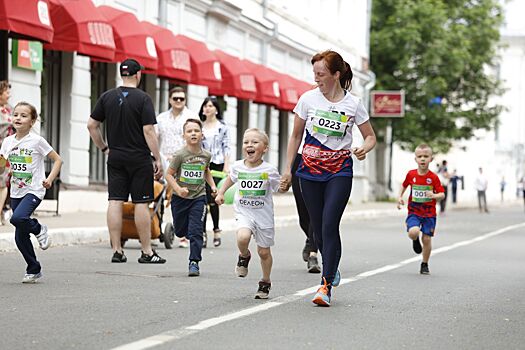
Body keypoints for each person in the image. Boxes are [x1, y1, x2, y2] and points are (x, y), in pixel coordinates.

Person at [280, 50, 376, 307]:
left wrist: (363, 148)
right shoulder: (308, 99)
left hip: (339, 171)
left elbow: (370, 136)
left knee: (330, 223)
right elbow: (295, 137)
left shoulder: (353, 104)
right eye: (314, 74)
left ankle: (325, 284)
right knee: (317, 226)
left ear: (336, 74)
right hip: (309, 171)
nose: (316, 79)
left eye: (321, 74)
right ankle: (331, 264)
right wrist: (288, 169)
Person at [88, 58, 166, 264]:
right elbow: (149, 130)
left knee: (115, 201)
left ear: (122, 74)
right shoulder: (143, 99)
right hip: (139, 157)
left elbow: (91, 125)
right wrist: (157, 157)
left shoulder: (107, 97)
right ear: (138, 74)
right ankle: (147, 252)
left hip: (115, 156)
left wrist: (104, 147)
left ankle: (117, 250)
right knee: (141, 202)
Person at [0, 101, 62, 283]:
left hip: (35, 189)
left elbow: (58, 160)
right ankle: (33, 268)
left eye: (24, 115)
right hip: (16, 190)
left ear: (32, 121)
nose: (18, 118)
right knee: (19, 235)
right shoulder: (8, 142)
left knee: (17, 218)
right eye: (16, 114)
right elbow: (2, 167)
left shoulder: (37, 141)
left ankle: (39, 228)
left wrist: (49, 179)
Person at [215, 128, 281, 299]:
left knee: (264, 252)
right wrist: (221, 193)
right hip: (244, 212)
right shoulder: (237, 166)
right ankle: (244, 255)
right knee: (243, 237)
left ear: (265, 148)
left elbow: (277, 188)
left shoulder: (270, 170)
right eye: (246, 142)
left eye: (254, 142)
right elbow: (230, 178)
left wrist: (283, 185)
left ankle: (265, 281)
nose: (249, 145)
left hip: (264, 215)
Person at [165, 119, 216, 276]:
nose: (193, 133)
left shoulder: (206, 155)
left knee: (196, 231)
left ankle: (194, 262)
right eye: (189, 131)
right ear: (184, 135)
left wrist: (213, 186)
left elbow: (206, 171)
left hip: (198, 197)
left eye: (196, 130)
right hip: (180, 199)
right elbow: (168, 175)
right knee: (181, 231)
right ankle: (178, 231)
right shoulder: (180, 155)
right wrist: (178, 189)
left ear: (202, 134)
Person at [156, 86, 198, 248]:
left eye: (182, 98)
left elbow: (197, 140)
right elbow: (154, 138)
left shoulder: (191, 117)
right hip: (165, 161)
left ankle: (185, 235)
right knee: (159, 194)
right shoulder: (161, 118)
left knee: (184, 197)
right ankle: (157, 228)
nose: (179, 101)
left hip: (185, 161)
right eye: (176, 98)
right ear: (170, 100)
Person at [397, 144, 445, 275]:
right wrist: (399, 197)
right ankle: (414, 240)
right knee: (413, 232)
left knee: (427, 239)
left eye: (426, 156)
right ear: (415, 159)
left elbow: (442, 194)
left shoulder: (433, 177)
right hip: (414, 211)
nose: (422, 159)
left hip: (429, 214)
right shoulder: (411, 174)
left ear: (431, 158)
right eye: (420, 156)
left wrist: (434, 196)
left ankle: (424, 263)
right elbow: (404, 185)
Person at [199, 96, 231, 247]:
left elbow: (227, 146)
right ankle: (203, 233)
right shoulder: (199, 127)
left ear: (216, 109)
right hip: (202, 165)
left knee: (214, 199)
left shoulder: (222, 126)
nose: (207, 108)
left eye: (211, 106)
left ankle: (216, 229)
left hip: (217, 165)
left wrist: (226, 165)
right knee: (203, 200)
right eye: (205, 106)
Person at [292, 152, 320, 273]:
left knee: (316, 211)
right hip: (301, 158)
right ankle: (310, 238)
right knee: (303, 217)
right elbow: (294, 138)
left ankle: (313, 254)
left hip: (324, 159)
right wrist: (287, 170)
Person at [0, 80, 14, 223]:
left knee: (3, 181)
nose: (9, 95)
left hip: (4, 153)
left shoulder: (10, 110)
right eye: (7, 92)